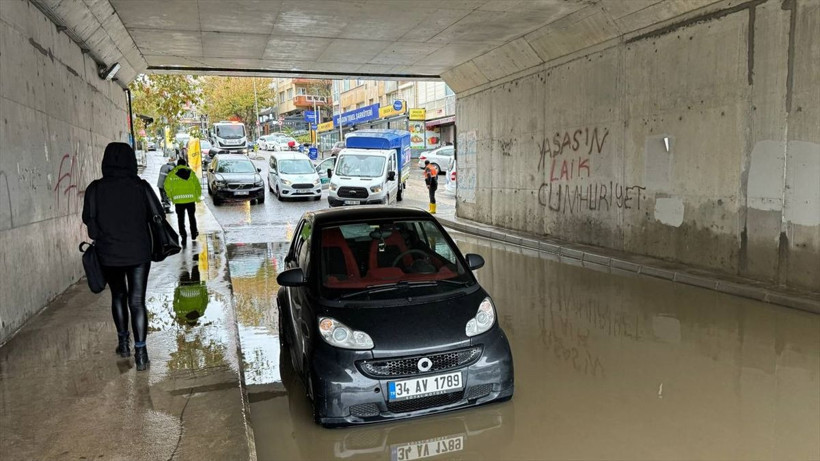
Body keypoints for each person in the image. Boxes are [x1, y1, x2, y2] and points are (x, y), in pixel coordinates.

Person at [82, 142, 161, 371]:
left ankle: (123, 344)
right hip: (139, 252)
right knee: (137, 301)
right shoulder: (140, 186)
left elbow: (89, 223)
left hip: (109, 253)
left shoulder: (95, 189)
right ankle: (141, 353)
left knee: (118, 295)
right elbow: (157, 215)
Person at [164, 158, 202, 243]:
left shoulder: (171, 174)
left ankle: (183, 236)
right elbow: (197, 186)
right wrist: (198, 196)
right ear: (185, 164)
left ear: (177, 165)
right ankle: (193, 234)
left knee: (180, 219)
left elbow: (166, 186)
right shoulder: (191, 173)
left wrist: (171, 196)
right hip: (190, 200)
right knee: (192, 217)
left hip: (178, 201)